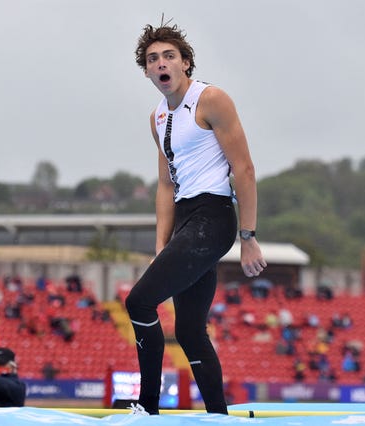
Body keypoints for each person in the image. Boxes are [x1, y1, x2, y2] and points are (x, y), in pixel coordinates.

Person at [125, 21, 267, 416]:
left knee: (138, 302)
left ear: (185, 63)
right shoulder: (157, 118)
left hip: (214, 217)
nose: (161, 63)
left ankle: (147, 408)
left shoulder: (211, 99)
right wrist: (161, 244)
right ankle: (219, 417)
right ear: (148, 72)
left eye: (169, 55)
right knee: (188, 329)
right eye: (153, 59)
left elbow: (245, 169)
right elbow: (166, 186)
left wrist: (248, 235)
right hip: (186, 221)